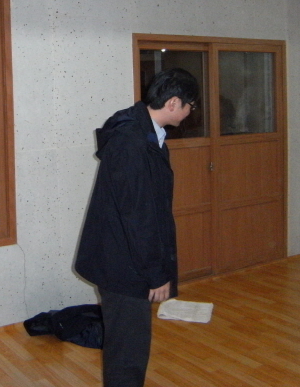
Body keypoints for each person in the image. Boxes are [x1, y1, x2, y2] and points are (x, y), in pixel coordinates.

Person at [75, 67, 199, 387]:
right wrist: (156, 273)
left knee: (129, 346)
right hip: (123, 264)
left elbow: (149, 211)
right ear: (173, 103)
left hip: (125, 258)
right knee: (127, 352)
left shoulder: (147, 135)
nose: (190, 112)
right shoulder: (131, 143)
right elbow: (139, 218)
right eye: (190, 105)